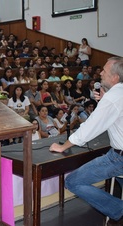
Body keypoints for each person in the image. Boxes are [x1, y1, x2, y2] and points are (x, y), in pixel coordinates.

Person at [50, 57, 123, 225]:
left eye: (104, 71)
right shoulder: (115, 95)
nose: (101, 73)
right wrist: (103, 101)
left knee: (73, 181)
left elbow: (89, 128)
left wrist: (63, 146)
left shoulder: (112, 98)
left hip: (119, 158)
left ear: (115, 78)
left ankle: (118, 209)